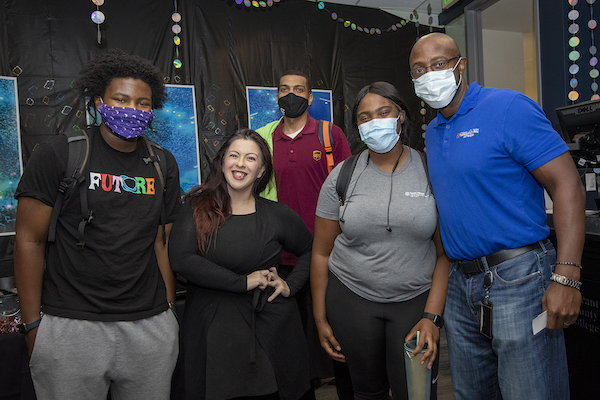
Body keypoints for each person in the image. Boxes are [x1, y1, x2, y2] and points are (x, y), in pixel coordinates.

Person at [409, 32, 586, 400]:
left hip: (519, 278)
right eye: (419, 69)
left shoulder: (508, 108)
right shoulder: (435, 130)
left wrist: (567, 275)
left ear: (461, 65)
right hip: (462, 282)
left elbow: (567, 185)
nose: (430, 74)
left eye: (439, 64)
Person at [13, 49, 181, 399]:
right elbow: (29, 240)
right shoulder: (59, 154)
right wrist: (32, 327)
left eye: (142, 103)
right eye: (121, 99)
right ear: (97, 101)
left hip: (149, 327)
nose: (131, 109)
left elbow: (160, 242)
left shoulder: (162, 164)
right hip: (71, 326)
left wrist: (168, 313)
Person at [311, 81, 450, 400]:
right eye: (365, 117)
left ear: (401, 116)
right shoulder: (342, 177)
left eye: (383, 112)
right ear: (357, 127)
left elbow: (445, 254)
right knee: (366, 392)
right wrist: (320, 318)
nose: (375, 121)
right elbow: (321, 253)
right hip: (351, 301)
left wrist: (432, 318)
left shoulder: (431, 171)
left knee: (415, 393)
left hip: (415, 302)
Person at [168, 128, 314, 400]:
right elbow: (182, 260)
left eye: (250, 158)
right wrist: (242, 282)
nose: (240, 163)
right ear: (222, 162)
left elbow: (310, 250)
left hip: (271, 330)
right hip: (213, 330)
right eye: (234, 155)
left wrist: (291, 285)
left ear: (260, 171)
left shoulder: (278, 214)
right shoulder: (196, 208)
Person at [256, 70, 352, 395]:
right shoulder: (264, 140)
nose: (291, 94)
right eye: (285, 89)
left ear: (311, 98)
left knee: (338, 331)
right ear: (277, 96)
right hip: (284, 257)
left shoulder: (330, 135)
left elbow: (350, 192)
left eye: (299, 89)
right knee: (291, 339)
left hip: (330, 255)